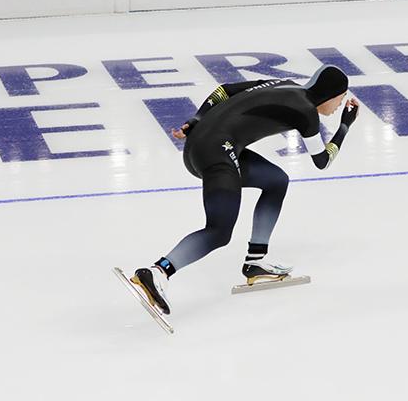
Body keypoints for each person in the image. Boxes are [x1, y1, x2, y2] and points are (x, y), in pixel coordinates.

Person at [127, 65, 360, 317]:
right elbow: (322, 160)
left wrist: (195, 119)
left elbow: (224, 90)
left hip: (205, 142)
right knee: (219, 231)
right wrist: (345, 125)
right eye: (340, 99)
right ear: (331, 94)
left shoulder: (284, 83)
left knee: (276, 180)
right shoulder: (306, 113)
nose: (339, 106)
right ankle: (158, 271)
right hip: (216, 152)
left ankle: (256, 262)